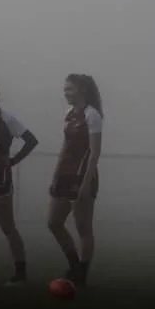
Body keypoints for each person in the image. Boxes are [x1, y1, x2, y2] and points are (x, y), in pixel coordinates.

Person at [47, 74, 103, 287]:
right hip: (64, 175)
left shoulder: (92, 115)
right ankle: (74, 265)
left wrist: (86, 183)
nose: (65, 93)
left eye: (69, 89)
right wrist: (55, 174)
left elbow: (95, 152)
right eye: (65, 89)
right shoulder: (69, 113)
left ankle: (82, 273)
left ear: (82, 90)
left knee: (83, 228)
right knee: (53, 223)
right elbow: (65, 146)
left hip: (82, 176)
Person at [0, 81, 38, 286]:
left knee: (7, 226)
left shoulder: (5, 117)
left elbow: (31, 140)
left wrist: (13, 160)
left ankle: (21, 272)